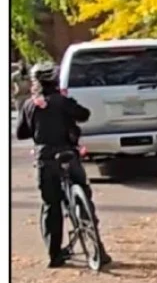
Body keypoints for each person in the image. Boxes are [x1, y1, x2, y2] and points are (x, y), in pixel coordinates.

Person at [16, 62, 111, 268]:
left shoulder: (30, 105)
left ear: (35, 82)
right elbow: (84, 114)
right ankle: (98, 249)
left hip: (45, 158)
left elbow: (21, 133)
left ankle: (54, 255)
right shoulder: (63, 101)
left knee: (51, 205)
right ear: (55, 80)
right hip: (67, 153)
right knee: (83, 196)